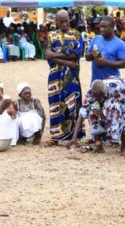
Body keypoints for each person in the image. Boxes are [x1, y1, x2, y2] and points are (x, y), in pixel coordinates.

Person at [67, 77, 125, 153]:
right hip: (108, 100)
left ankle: (122, 146)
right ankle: (99, 146)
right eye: (96, 96)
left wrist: (104, 114)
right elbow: (81, 115)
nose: (97, 98)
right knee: (93, 111)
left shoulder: (116, 90)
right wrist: (73, 139)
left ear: (104, 92)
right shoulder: (90, 94)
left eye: (99, 96)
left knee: (115, 108)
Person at [45, 9, 84, 146]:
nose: (63, 24)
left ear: (69, 19)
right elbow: (48, 57)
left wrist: (56, 54)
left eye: (65, 21)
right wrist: (68, 61)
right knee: (55, 103)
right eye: (60, 21)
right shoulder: (51, 35)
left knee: (74, 102)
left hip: (71, 76)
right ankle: (56, 137)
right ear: (56, 21)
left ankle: (75, 136)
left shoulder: (76, 34)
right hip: (55, 76)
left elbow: (77, 53)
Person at [85, 16, 125, 83]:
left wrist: (106, 62)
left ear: (112, 27)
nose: (101, 29)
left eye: (104, 27)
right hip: (96, 82)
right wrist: (92, 54)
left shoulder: (120, 44)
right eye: (100, 27)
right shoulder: (96, 39)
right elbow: (87, 58)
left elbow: (124, 63)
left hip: (112, 83)